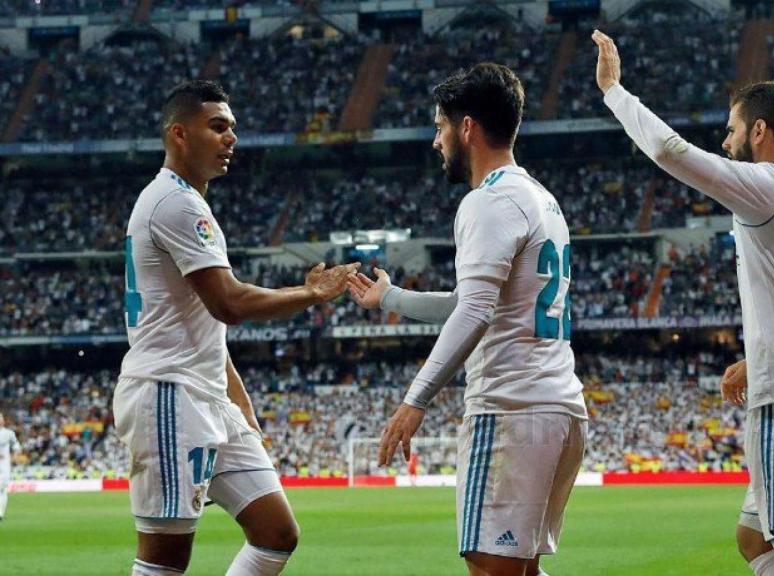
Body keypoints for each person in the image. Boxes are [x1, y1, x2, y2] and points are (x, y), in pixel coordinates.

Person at [593, 30, 774, 576]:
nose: (726, 141)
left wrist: (615, 91)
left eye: (733, 130)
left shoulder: (769, 186)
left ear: (760, 131)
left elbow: (672, 152)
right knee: (752, 539)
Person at [347, 63, 588, 576]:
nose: (436, 142)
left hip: (510, 411)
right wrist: (392, 298)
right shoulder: (540, 198)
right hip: (558, 407)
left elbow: (476, 310)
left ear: (468, 128)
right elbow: (473, 300)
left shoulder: (489, 200)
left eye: (439, 127)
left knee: (490, 566)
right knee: (520, 569)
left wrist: (416, 399)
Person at [114, 79, 356, 576]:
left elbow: (202, 318)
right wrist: (309, 293)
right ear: (179, 134)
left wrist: (239, 402)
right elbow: (228, 302)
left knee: (276, 534)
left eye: (233, 129)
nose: (231, 139)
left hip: (206, 396)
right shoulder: (174, 203)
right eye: (218, 127)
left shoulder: (186, 202)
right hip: (168, 392)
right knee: (164, 559)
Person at [0, 411, 22, 521]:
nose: (1, 420)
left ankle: (0, 514)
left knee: (2, 489)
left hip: (4, 467)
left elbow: (17, 446)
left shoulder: (9, 433)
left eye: (1, 418)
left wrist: (15, 456)